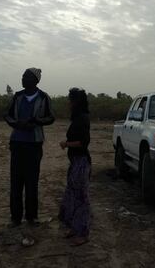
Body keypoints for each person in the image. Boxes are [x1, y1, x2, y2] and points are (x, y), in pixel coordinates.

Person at [4, 68, 55, 227]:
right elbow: (8, 115)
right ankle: (16, 218)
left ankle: (31, 217)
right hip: (17, 142)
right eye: (22, 76)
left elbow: (51, 117)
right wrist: (16, 124)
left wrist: (37, 122)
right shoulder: (17, 96)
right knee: (16, 181)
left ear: (35, 80)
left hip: (34, 143)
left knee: (32, 181)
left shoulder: (43, 97)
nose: (23, 79)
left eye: (26, 77)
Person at [58, 88, 91, 247]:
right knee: (72, 195)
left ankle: (82, 233)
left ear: (75, 102)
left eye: (70, 99)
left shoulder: (83, 118)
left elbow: (83, 142)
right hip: (76, 161)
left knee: (81, 198)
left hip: (81, 162)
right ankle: (74, 228)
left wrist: (66, 144)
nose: (68, 102)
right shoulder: (78, 117)